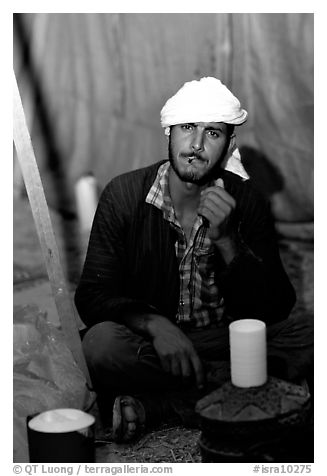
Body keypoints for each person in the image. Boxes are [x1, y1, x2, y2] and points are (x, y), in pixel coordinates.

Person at [75, 77, 313, 443]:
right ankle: (241, 385)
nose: (197, 145)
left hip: (223, 340)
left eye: (213, 133)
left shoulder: (247, 201)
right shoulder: (124, 195)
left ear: (229, 144)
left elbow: (276, 306)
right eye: (187, 128)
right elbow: (92, 295)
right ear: (169, 133)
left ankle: (162, 406)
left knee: (310, 335)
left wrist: (228, 241)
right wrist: (156, 325)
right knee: (101, 345)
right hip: (154, 344)